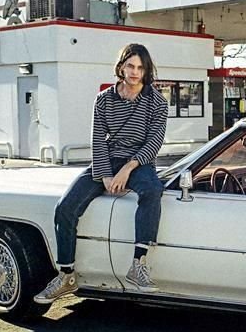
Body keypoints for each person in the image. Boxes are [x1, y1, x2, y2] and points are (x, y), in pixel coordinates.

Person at [34, 43, 169, 303]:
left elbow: (154, 142)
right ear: (121, 66)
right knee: (65, 207)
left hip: (139, 162)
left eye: (140, 67)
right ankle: (66, 275)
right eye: (130, 65)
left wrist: (128, 169)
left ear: (146, 70)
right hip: (107, 159)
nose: (134, 72)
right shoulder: (104, 99)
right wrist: (106, 175)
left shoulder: (157, 102)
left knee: (153, 190)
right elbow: (98, 139)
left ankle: (138, 265)